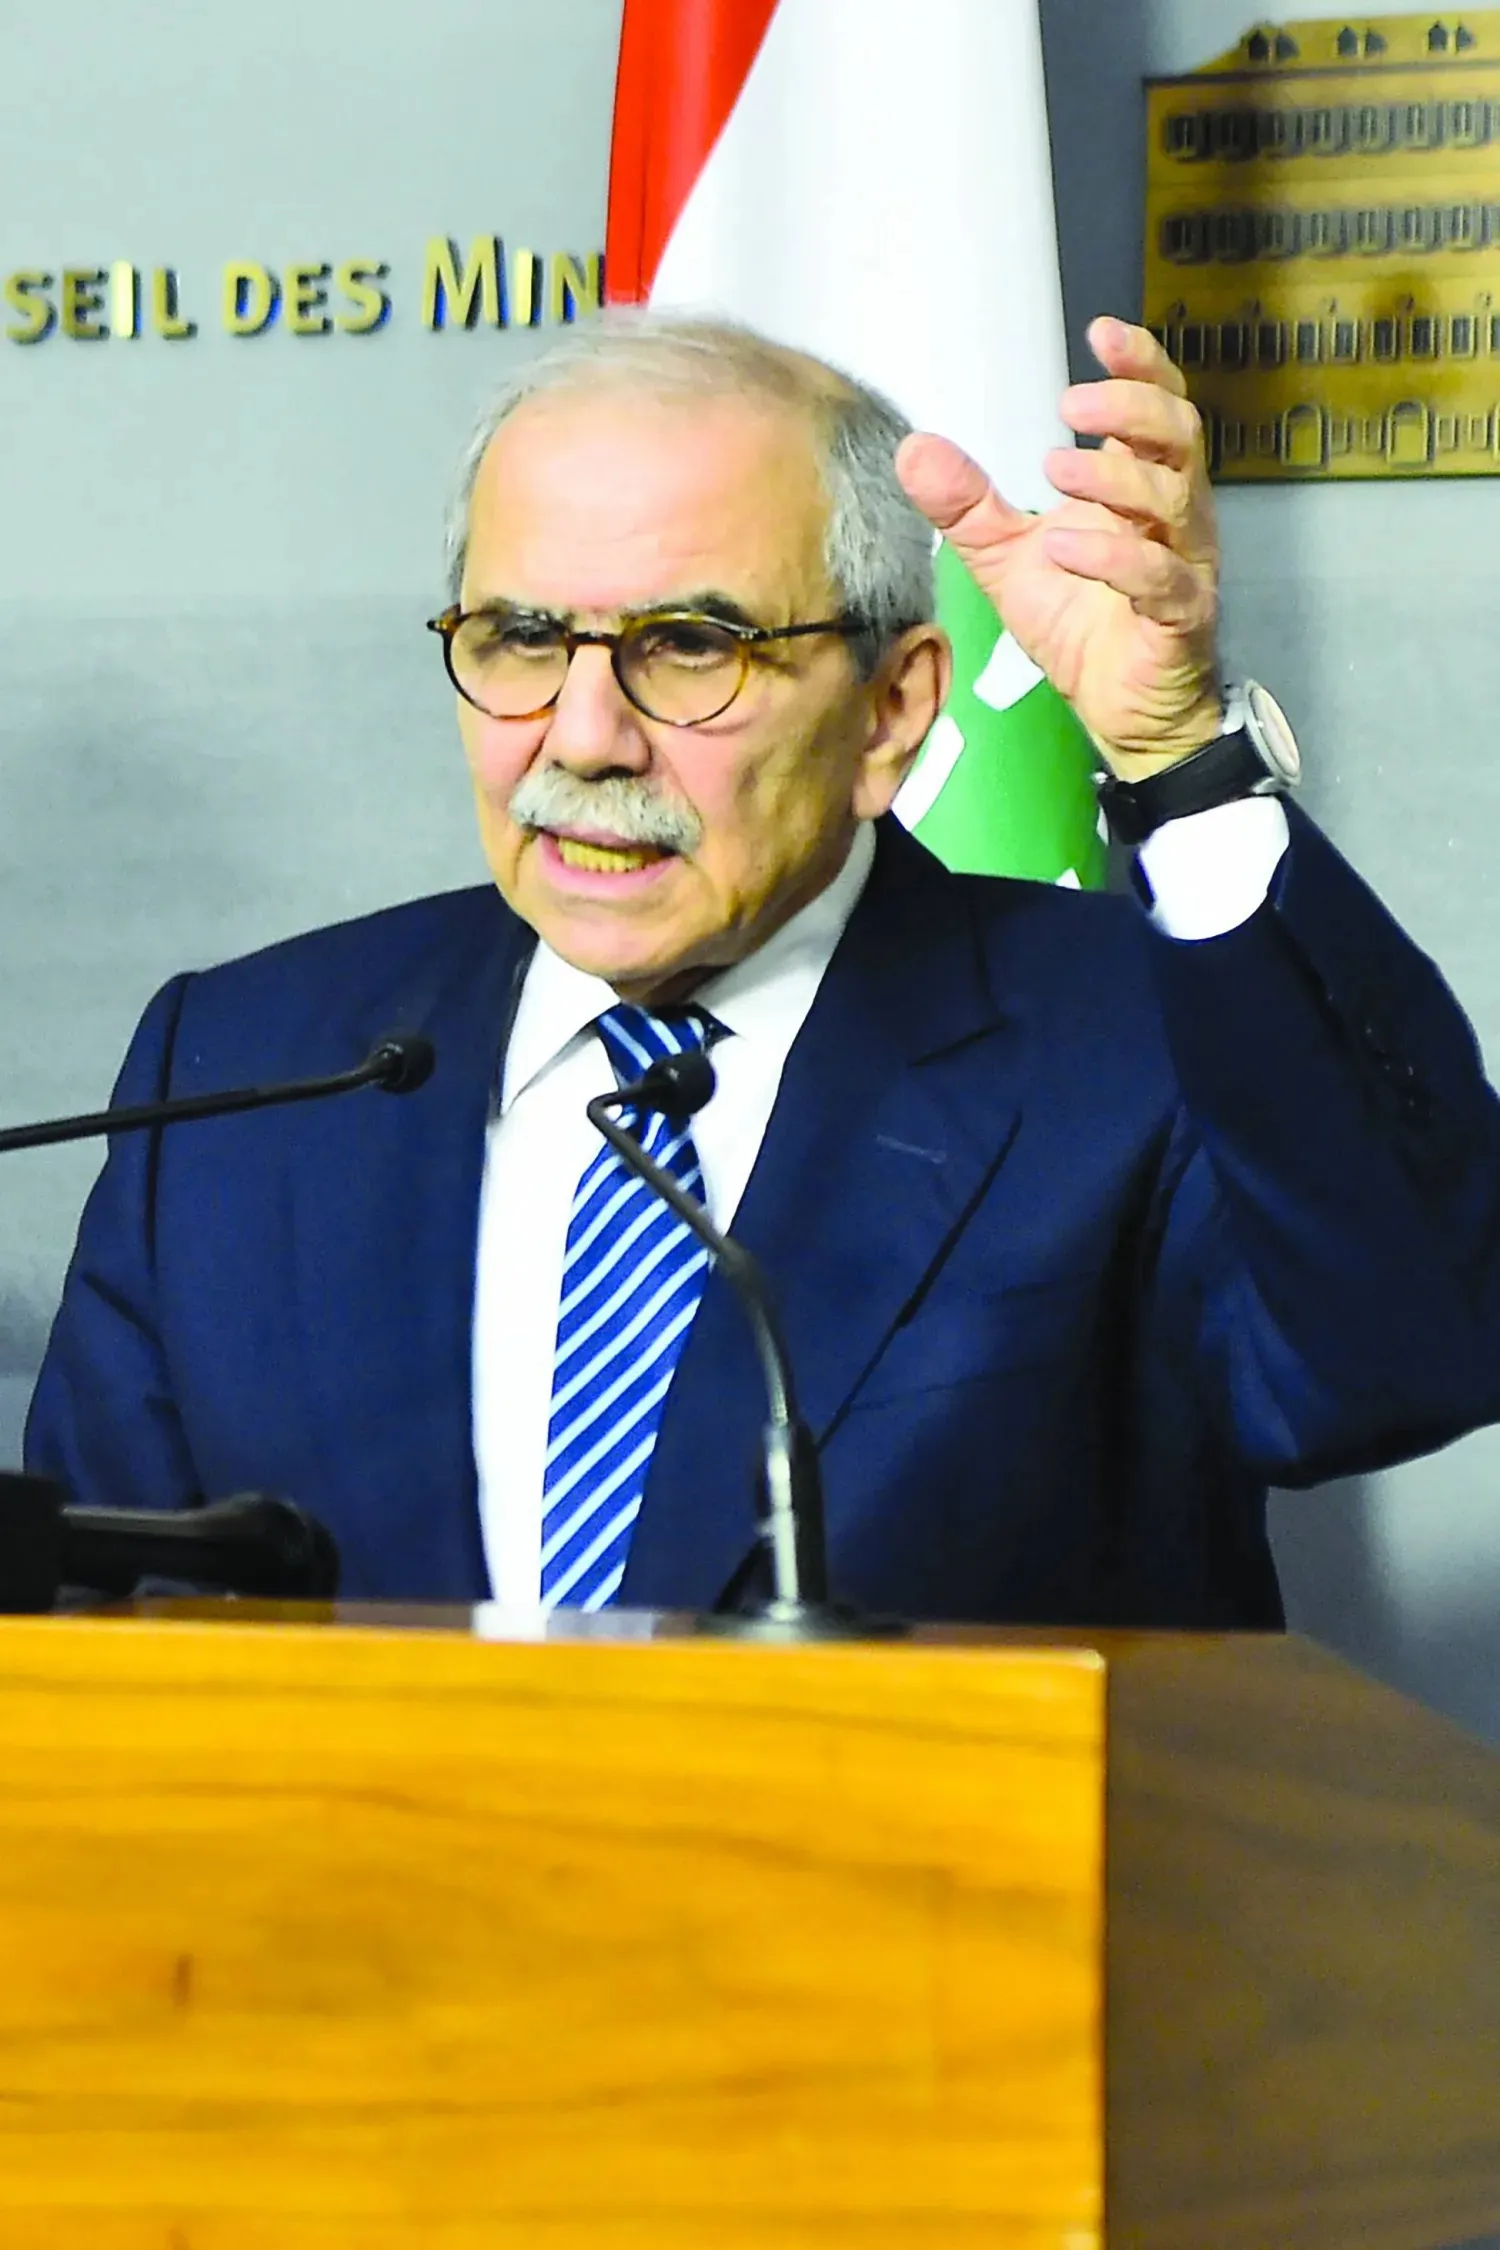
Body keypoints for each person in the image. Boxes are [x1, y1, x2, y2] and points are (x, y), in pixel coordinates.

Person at [24, 313, 1500, 1623]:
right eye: (523, 636)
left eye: (687, 647)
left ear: (890, 711)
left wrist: (1179, 764)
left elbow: (1406, 1346)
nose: (585, 735)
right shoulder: (242, 1069)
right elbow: (93, 1656)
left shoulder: (1123, 1044)